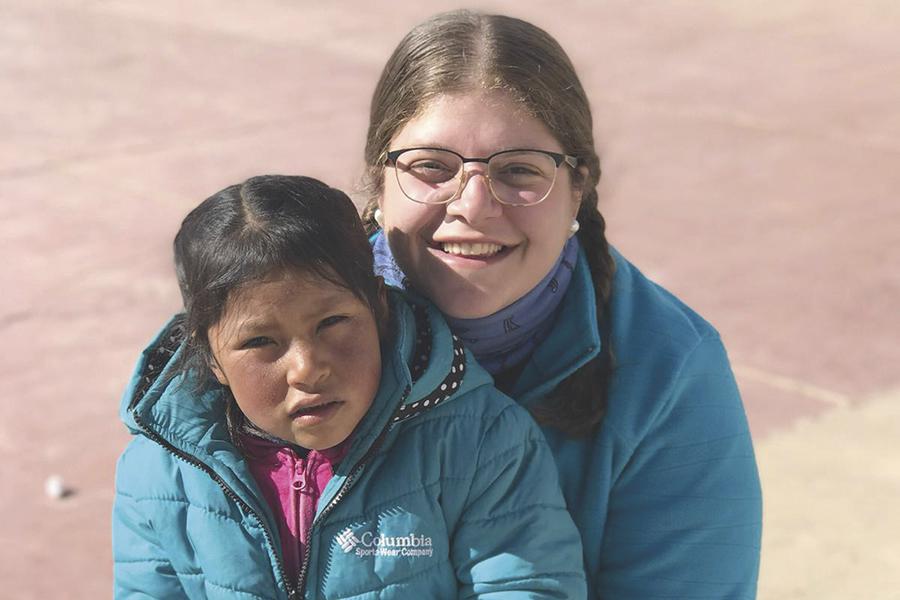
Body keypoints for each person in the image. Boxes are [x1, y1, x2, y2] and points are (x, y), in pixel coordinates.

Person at [360, 10, 763, 599]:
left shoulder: (669, 371)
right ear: (378, 184)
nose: (472, 206)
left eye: (518, 170)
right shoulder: (260, 332)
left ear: (580, 188)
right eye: (431, 167)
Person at [112, 175, 587, 599]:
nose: (307, 369)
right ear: (210, 356)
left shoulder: (480, 441)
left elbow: (527, 585)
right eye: (260, 341)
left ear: (378, 308)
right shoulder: (156, 474)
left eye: (333, 322)